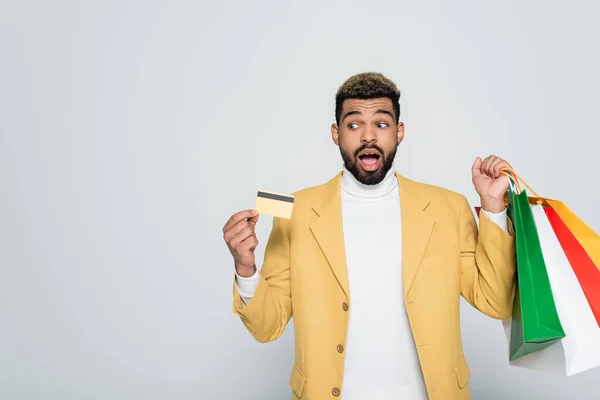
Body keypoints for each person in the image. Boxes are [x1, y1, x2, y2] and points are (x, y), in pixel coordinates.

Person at [222, 72, 516, 400]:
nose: (368, 137)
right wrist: (245, 268)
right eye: (353, 125)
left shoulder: (448, 208)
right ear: (336, 134)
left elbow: (497, 301)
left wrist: (492, 206)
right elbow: (267, 326)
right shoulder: (295, 211)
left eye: (381, 123)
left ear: (399, 132)